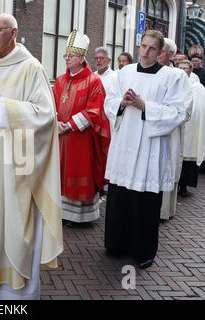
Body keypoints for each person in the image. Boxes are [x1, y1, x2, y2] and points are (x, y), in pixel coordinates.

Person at [0, 12, 63, 300]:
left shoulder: (31, 68)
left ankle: (16, 294)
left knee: (13, 223)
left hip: (16, 166)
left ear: (14, 33)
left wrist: (2, 105)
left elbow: (46, 116)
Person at [104, 30, 187, 269]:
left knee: (145, 202)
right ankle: (116, 244)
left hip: (150, 149)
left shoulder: (172, 77)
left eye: (151, 48)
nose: (145, 52)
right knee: (120, 197)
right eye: (143, 46)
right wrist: (122, 102)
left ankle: (143, 251)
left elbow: (178, 113)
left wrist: (144, 106)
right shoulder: (125, 72)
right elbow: (108, 101)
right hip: (125, 145)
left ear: (160, 51)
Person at [54, 34, 110, 225]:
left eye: (70, 55)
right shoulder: (60, 81)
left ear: (81, 58)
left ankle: (79, 217)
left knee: (78, 171)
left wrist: (68, 125)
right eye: (66, 55)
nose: (67, 58)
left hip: (81, 138)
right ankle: (61, 212)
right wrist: (55, 122)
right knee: (60, 172)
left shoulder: (94, 81)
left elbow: (94, 111)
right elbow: (51, 105)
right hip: (61, 136)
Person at [157, 38, 192, 221]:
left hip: (170, 132)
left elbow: (186, 108)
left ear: (170, 54)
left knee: (167, 167)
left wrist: (165, 116)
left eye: (160, 50)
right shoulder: (150, 71)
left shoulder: (179, 76)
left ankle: (163, 211)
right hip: (151, 129)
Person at [177, 60, 205, 196]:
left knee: (188, 159)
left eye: (185, 68)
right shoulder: (174, 83)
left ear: (190, 70)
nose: (182, 70)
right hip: (177, 126)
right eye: (180, 67)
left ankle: (183, 187)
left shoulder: (197, 88)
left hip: (191, 127)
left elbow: (200, 108)